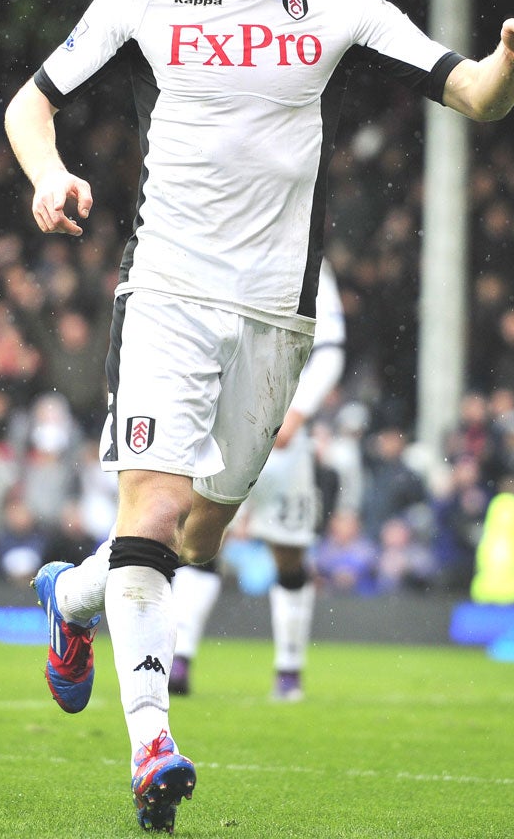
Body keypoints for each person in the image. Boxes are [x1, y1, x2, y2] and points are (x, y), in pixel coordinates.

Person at [3, 0, 514, 833]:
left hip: (278, 316)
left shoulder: (339, 9)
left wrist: (510, 56)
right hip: (169, 295)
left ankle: (73, 600)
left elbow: (479, 97)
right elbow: (30, 104)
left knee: (194, 532)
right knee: (152, 507)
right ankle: (152, 746)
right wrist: (50, 177)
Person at [169, 258, 345, 701]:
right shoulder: (220, 246)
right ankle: (182, 659)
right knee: (201, 541)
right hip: (222, 425)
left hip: (282, 435)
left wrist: (299, 411)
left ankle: (288, 670)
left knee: (288, 552)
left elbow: (330, 347)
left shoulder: (308, 262)